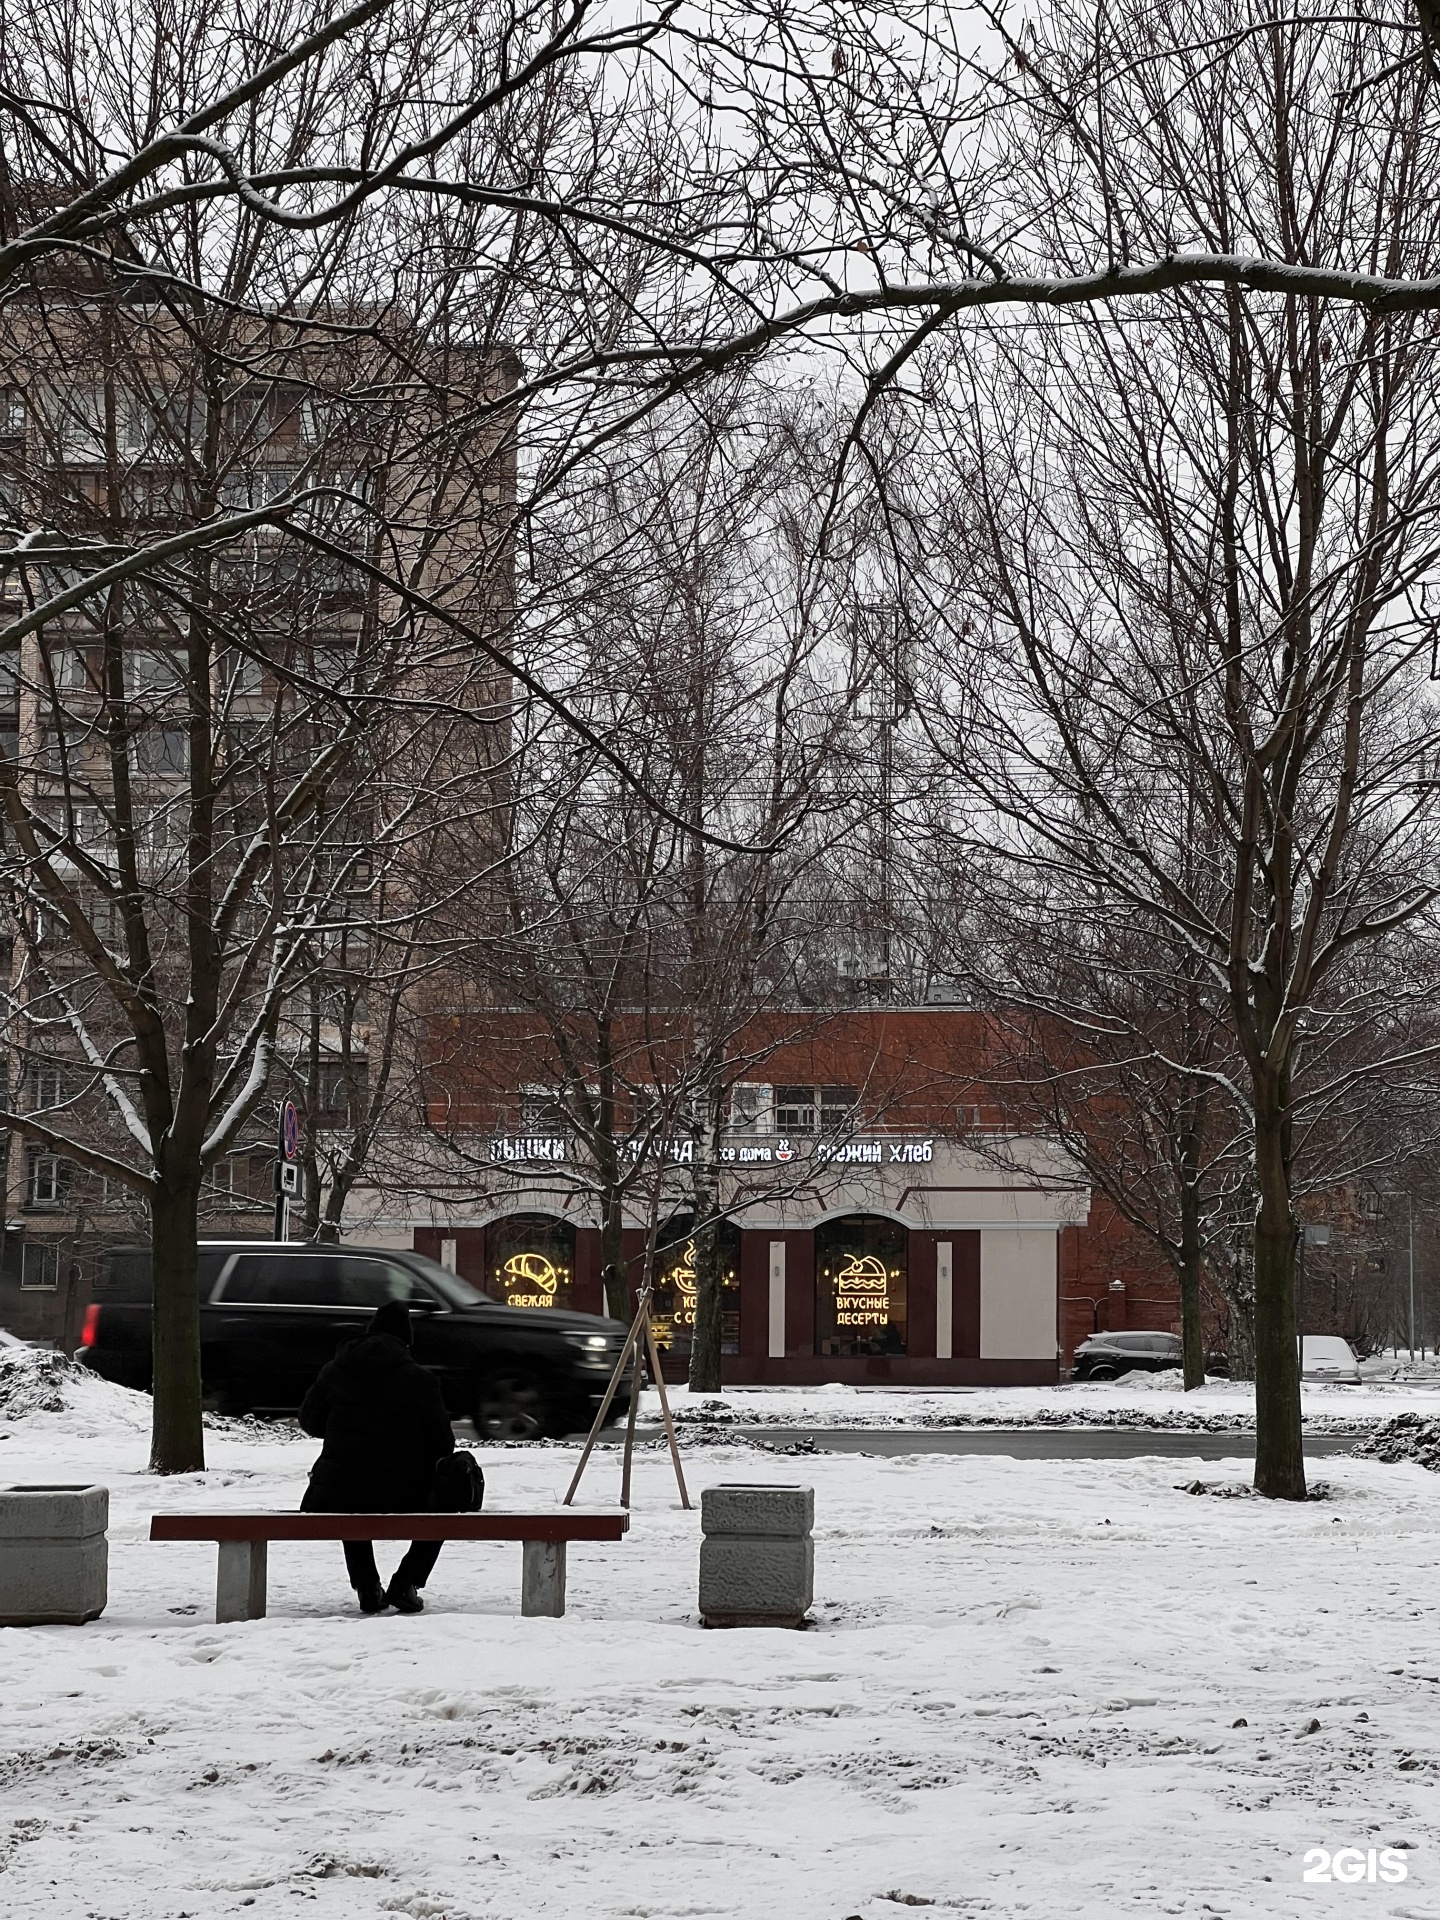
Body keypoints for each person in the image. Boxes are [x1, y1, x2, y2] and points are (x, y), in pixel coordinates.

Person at [299, 1299, 455, 1615]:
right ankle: (406, 1583)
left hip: (338, 1493)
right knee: (446, 1506)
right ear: (405, 1341)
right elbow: (444, 1444)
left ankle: (367, 1586)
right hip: (405, 1492)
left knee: (350, 1498)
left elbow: (310, 1422)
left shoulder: (334, 1371)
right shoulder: (420, 1379)